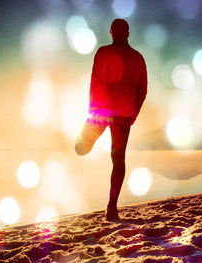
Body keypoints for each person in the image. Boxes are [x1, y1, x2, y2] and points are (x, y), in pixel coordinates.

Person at [75, 19, 147, 221]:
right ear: (128, 33)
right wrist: (134, 112)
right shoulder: (137, 58)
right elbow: (143, 90)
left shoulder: (103, 53)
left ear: (111, 32)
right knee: (118, 159)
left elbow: (96, 82)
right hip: (123, 114)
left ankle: (85, 143)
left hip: (104, 111)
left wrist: (92, 112)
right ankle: (112, 207)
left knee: (82, 147)